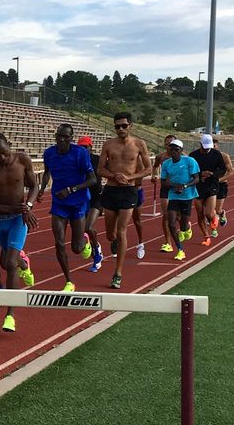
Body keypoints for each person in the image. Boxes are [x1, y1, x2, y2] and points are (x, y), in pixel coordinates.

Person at [0, 133, 39, 332]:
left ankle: (10, 315)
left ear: (9, 145)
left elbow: (34, 185)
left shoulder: (22, 160)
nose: (1, 158)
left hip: (18, 219)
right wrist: (0, 209)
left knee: (9, 263)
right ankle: (23, 263)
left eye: (3, 153)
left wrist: (28, 206)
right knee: (0, 261)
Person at [37, 123, 96, 291]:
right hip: (59, 203)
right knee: (59, 242)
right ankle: (69, 281)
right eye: (59, 136)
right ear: (56, 136)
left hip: (77, 202)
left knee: (76, 249)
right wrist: (42, 189)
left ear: (71, 138)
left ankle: (84, 240)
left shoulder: (80, 153)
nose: (62, 139)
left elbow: (93, 180)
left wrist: (71, 189)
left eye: (66, 137)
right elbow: (47, 172)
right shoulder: (49, 153)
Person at [97, 112, 151, 289]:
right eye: (117, 126)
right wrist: (115, 176)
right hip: (111, 190)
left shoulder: (138, 144)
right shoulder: (108, 144)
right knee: (110, 234)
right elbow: (100, 169)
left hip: (129, 191)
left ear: (130, 126)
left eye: (124, 126)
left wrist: (130, 177)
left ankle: (117, 273)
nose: (120, 129)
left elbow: (148, 169)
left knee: (122, 232)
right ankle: (113, 241)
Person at [159, 138, 199, 259]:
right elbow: (163, 182)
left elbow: (196, 178)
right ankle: (180, 250)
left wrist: (185, 186)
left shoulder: (189, 161)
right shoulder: (166, 164)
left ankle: (187, 228)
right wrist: (173, 186)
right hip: (174, 196)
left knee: (183, 226)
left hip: (187, 197)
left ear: (181, 150)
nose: (173, 151)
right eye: (171, 149)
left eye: (176, 149)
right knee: (171, 222)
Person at [189, 134, 226, 246]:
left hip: (211, 185)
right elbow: (190, 171)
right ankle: (206, 236)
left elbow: (223, 170)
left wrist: (213, 174)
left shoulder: (216, 154)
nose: (206, 149)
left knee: (208, 213)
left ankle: (213, 218)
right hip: (198, 186)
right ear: (200, 144)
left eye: (208, 146)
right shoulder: (193, 155)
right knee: (200, 214)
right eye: (204, 146)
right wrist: (201, 174)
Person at [76, 136, 105, 272]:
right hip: (82, 198)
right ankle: (95, 249)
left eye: (85, 147)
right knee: (81, 231)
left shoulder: (97, 160)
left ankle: (97, 252)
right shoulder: (75, 160)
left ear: (90, 147)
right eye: (80, 147)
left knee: (88, 226)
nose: (82, 149)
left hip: (96, 198)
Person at [153, 135, 177, 253]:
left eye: (171, 144)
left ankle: (186, 225)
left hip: (179, 188)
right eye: (167, 144)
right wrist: (154, 175)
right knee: (167, 214)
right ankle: (168, 242)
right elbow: (155, 166)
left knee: (178, 216)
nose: (169, 146)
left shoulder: (183, 156)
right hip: (166, 187)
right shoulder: (161, 157)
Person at [212, 138, 234, 227]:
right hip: (209, 184)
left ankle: (222, 213)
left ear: (217, 146)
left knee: (217, 209)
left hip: (221, 184)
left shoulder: (224, 156)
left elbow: (231, 172)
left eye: (214, 146)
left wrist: (220, 179)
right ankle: (213, 228)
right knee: (209, 210)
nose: (212, 148)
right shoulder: (205, 156)